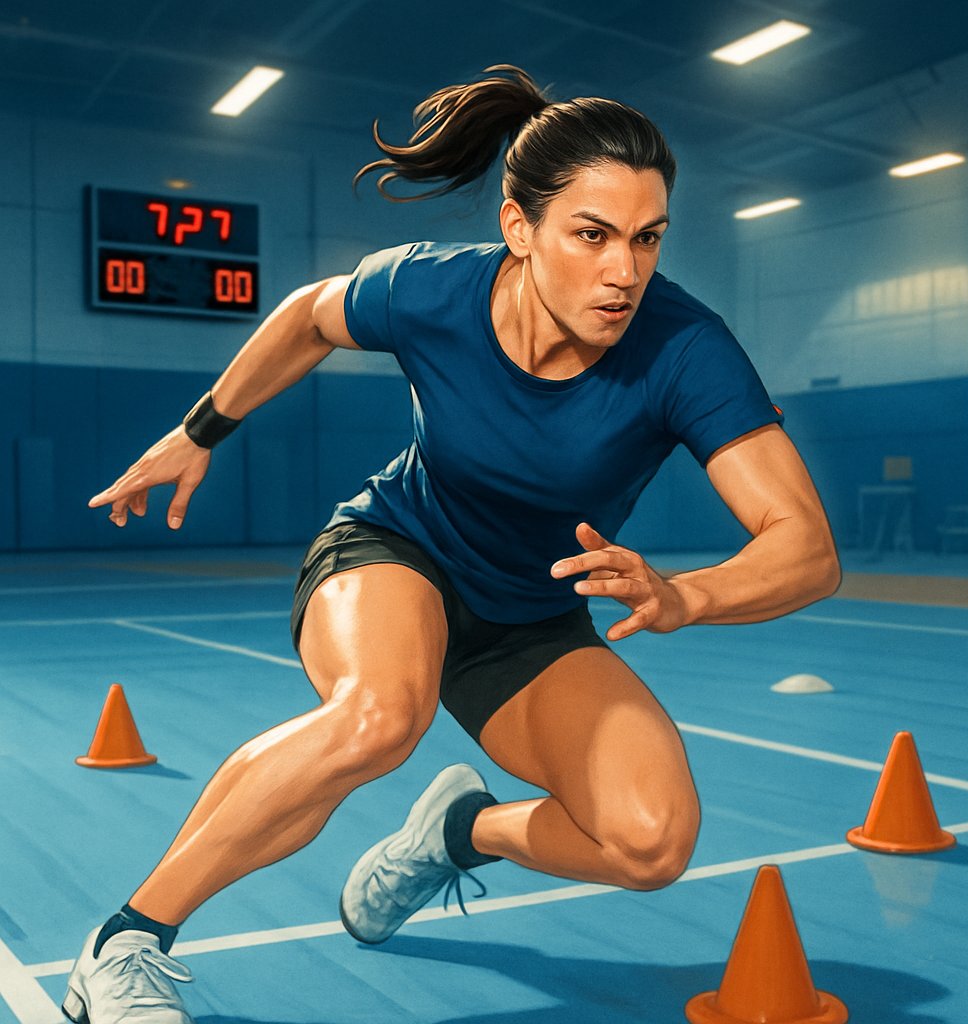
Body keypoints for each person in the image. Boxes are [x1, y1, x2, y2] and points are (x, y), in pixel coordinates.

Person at [66, 64, 840, 1023]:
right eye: (592, 234)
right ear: (520, 228)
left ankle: (459, 833)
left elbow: (806, 546)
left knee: (650, 841)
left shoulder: (684, 348)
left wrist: (691, 594)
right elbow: (308, 316)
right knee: (379, 716)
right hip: (396, 549)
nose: (625, 271)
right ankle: (126, 942)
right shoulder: (434, 289)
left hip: (530, 612)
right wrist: (201, 430)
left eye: (647, 237)